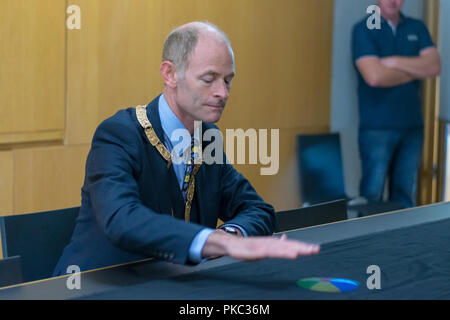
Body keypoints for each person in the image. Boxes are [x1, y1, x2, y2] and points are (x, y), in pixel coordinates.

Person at [53, 21, 320, 276]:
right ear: (170, 74)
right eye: (209, 79)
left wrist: (230, 236)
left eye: (227, 80)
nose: (223, 93)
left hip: (171, 283)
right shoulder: (118, 133)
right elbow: (122, 219)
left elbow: (257, 210)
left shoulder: (207, 138)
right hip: (96, 287)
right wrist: (219, 244)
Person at [352, 0, 440, 208]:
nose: (393, 1)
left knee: (405, 197)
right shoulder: (364, 29)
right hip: (376, 128)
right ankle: (370, 242)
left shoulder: (417, 27)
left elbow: (434, 66)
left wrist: (392, 61)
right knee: (371, 197)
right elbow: (374, 77)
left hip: (412, 127)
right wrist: (415, 68)